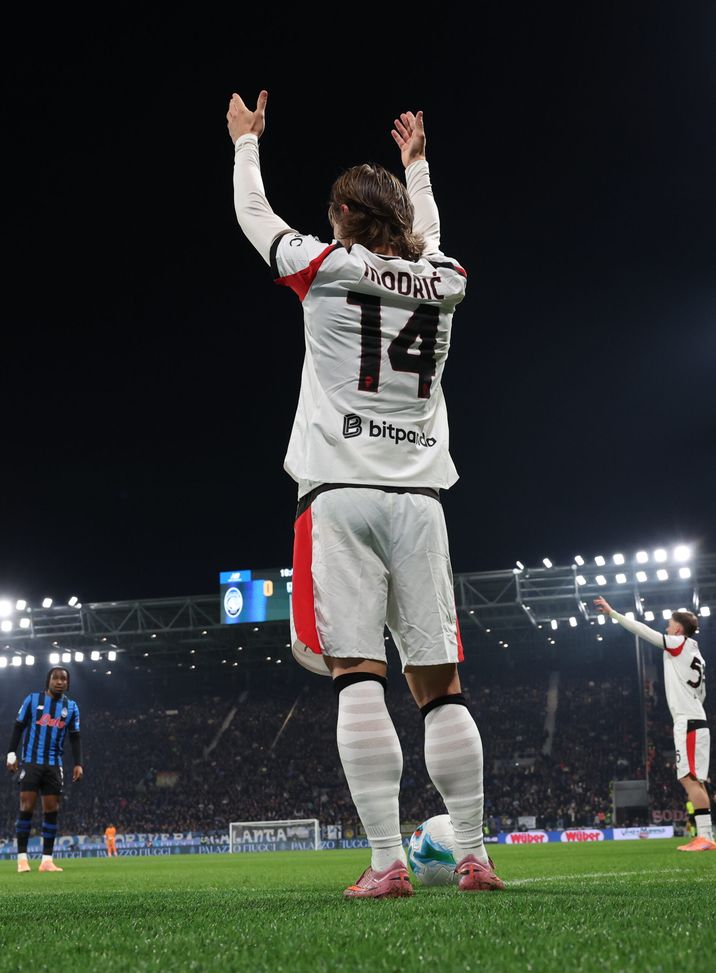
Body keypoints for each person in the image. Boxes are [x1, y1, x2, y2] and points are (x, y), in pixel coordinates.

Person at [228, 90, 504, 897]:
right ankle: (476, 854)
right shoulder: (443, 281)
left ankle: (386, 861)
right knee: (441, 686)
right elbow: (434, 243)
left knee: (359, 675)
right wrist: (419, 166)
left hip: (341, 494)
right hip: (421, 499)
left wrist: (247, 144)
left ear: (344, 215)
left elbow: (254, 215)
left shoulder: (324, 267)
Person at [594, 597, 715, 851]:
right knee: (695, 779)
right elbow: (701, 694)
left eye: (671, 624)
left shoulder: (678, 644)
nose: (667, 628)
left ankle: (705, 837)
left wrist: (613, 613)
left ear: (679, 629)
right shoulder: (696, 653)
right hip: (696, 717)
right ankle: (705, 835)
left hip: (688, 721)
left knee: (688, 779)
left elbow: (643, 631)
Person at [5, 666, 83, 872]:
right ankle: (22, 859)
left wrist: (78, 763)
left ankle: (46, 860)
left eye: (63, 679)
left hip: (54, 765)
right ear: (48, 681)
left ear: (68, 683)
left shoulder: (72, 707)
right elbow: (18, 726)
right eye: (55, 678)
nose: (59, 682)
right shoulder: (32, 699)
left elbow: (75, 737)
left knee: (51, 811)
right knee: (26, 807)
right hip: (31, 762)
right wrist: (11, 754)